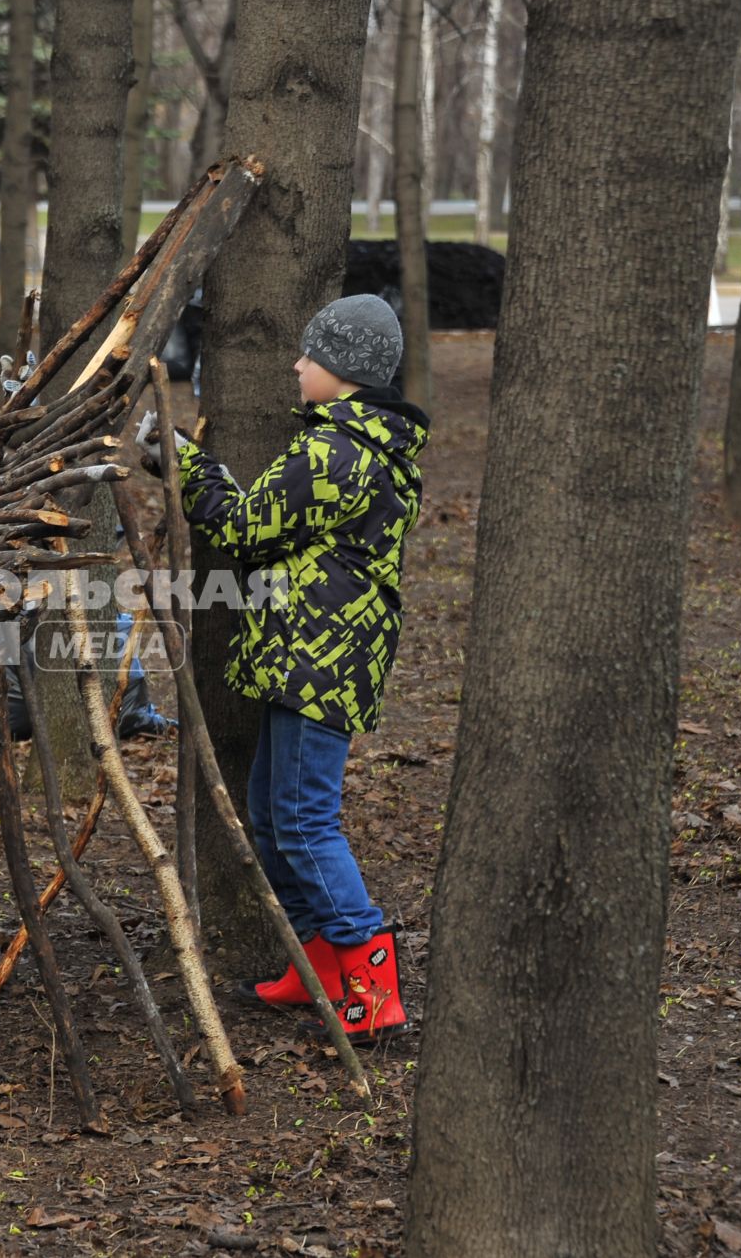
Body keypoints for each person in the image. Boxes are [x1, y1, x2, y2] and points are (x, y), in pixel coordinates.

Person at [152, 293, 427, 1045]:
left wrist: (176, 456)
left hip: (321, 662)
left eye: (312, 356)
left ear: (343, 372)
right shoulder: (358, 443)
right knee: (274, 816)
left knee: (303, 822)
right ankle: (321, 970)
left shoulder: (336, 452)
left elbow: (244, 526)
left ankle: (373, 982)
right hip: (308, 656)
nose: (298, 365)